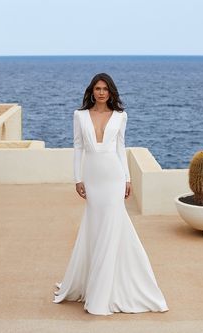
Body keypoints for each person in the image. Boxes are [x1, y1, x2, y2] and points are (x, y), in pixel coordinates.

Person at [53, 73, 169, 316]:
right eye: (97, 88)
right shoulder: (80, 116)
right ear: (92, 91)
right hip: (93, 178)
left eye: (105, 88)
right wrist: (77, 178)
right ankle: (92, 281)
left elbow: (120, 148)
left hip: (114, 177)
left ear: (111, 92)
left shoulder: (120, 116)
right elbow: (77, 147)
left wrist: (127, 178)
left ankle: (106, 291)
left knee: (113, 226)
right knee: (96, 227)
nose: (101, 92)